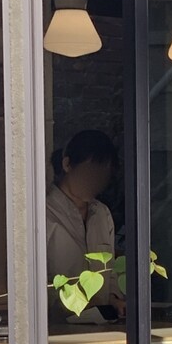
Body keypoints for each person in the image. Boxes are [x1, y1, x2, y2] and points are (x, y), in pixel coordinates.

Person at [46, 130, 125, 321]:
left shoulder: (102, 214)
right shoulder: (43, 213)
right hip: (56, 326)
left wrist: (114, 299)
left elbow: (110, 270)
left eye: (103, 175)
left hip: (102, 324)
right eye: (90, 172)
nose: (96, 181)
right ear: (67, 164)